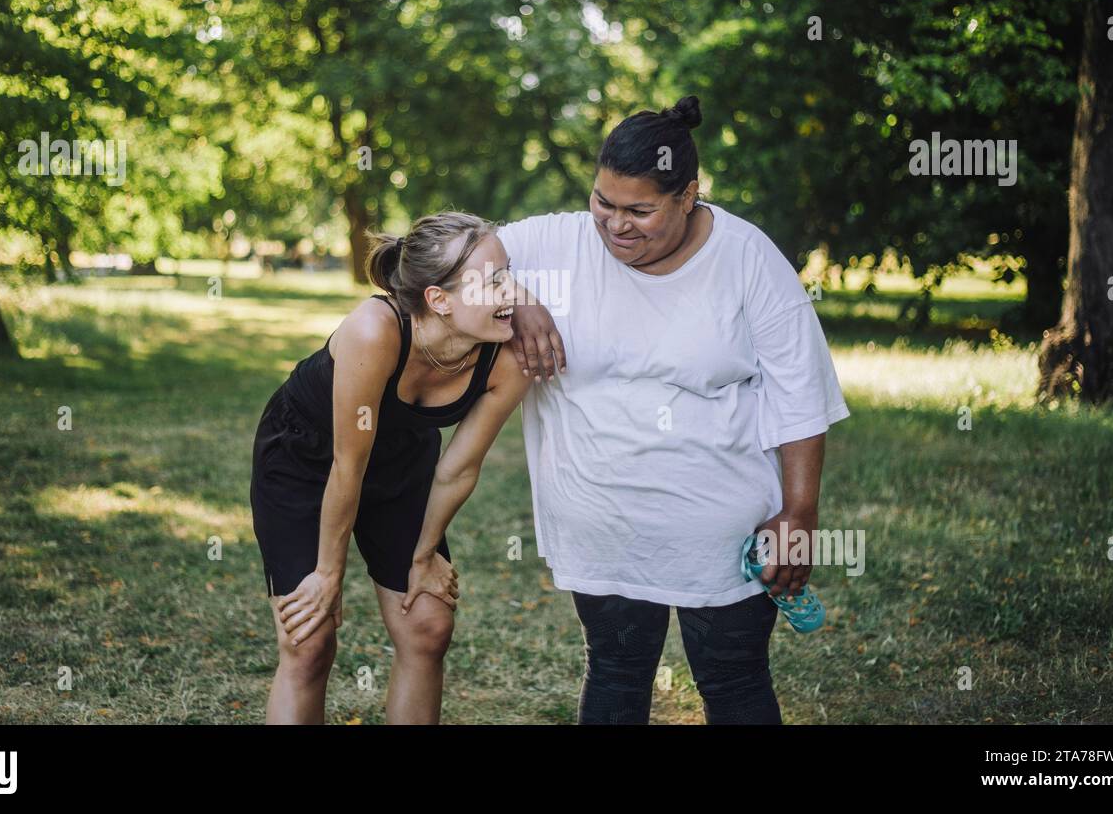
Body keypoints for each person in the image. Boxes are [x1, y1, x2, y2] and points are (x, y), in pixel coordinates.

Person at [498, 95, 850, 724]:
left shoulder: (748, 259)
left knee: (735, 682)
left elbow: (801, 394)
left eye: (640, 210)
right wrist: (514, 293)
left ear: (689, 195)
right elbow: (434, 262)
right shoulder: (552, 244)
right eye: (603, 202)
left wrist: (798, 513)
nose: (615, 225)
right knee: (614, 674)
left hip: (720, 529)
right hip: (601, 524)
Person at [249, 211, 529, 724]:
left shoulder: (509, 360)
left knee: (427, 625)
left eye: (509, 272)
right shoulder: (374, 331)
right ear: (439, 300)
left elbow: (458, 470)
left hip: (401, 462)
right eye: (494, 280)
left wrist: (424, 553)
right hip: (305, 459)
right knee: (309, 640)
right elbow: (346, 465)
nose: (514, 290)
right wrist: (327, 575)